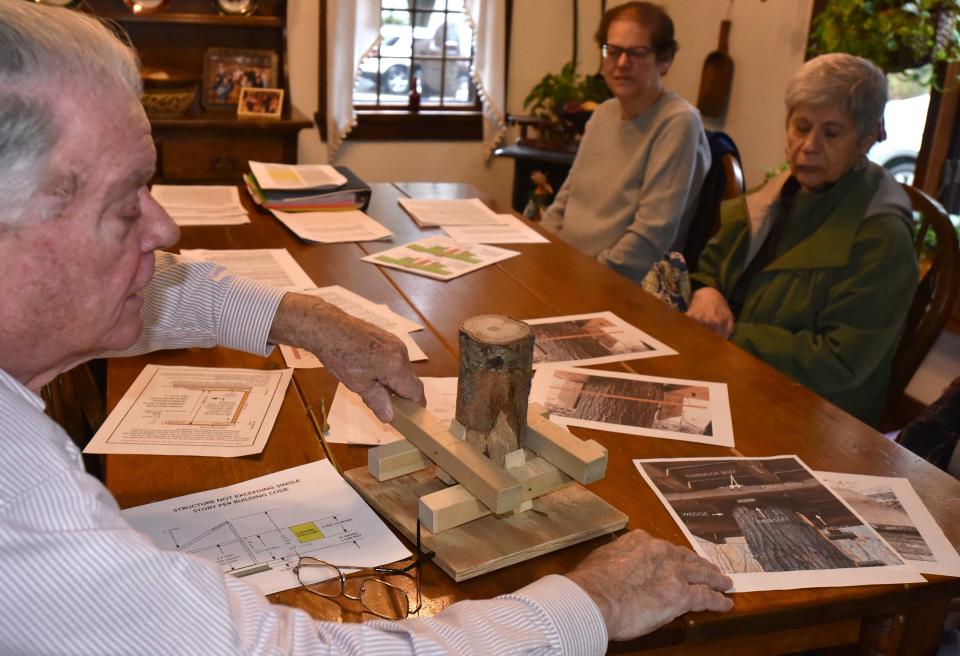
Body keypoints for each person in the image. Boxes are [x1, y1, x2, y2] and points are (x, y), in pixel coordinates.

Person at [0, 2, 733, 654]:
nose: (163, 226)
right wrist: (591, 602)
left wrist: (304, 317)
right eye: (127, 206)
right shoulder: (23, 506)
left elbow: (159, 291)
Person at [687, 53, 919, 426]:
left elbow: (840, 362)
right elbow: (713, 264)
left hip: (812, 416)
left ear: (869, 138)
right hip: (730, 371)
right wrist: (708, 291)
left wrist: (730, 334)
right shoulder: (781, 190)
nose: (808, 146)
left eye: (831, 132)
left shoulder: (881, 237)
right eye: (801, 126)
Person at [540, 1, 711, 284]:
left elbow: (651, 235)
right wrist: (542, 248)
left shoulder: (678, 122)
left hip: (615, 286)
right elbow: (566, 199)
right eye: (614, 51)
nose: (621, 63)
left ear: (665, 60)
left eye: (637, 52)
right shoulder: (603, 114)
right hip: (566, 268)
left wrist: (585, 275)